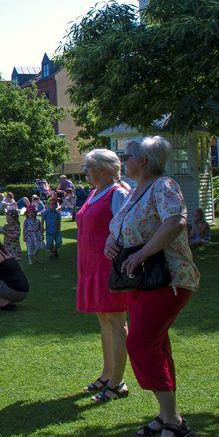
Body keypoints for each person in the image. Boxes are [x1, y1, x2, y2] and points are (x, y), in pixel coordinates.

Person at [104, 136, 200, 437]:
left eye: (126, 155)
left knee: (141, 343)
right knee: (156, 344)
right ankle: (166, 416)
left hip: (168, 279)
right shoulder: (135, 192)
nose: (123, 159)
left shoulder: (163, 186)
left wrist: (142, 253)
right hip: (142, 283)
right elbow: (120, 229)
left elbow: (175, 222)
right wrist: (111, 243)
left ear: (142, 161)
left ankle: (173, 421)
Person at [76, 148, 131, 404]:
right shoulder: (95, 192)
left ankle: (117, 381)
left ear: (104, 169)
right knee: (103, 319)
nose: (85, 171)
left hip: (109, 266)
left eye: (89, 167)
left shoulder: (118, 193)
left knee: (116, 321)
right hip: (91, 265)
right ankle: (107, 373)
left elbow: (127, 228)